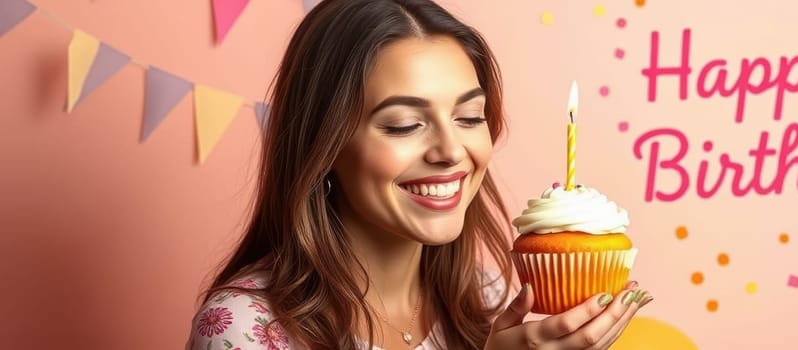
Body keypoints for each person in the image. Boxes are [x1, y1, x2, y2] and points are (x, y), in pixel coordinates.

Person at [186, 0, 650, 349]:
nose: (451, 151)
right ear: (323, 146)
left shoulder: (489, 298)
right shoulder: (244, 328)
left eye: (470, 117)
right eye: (405, 125)